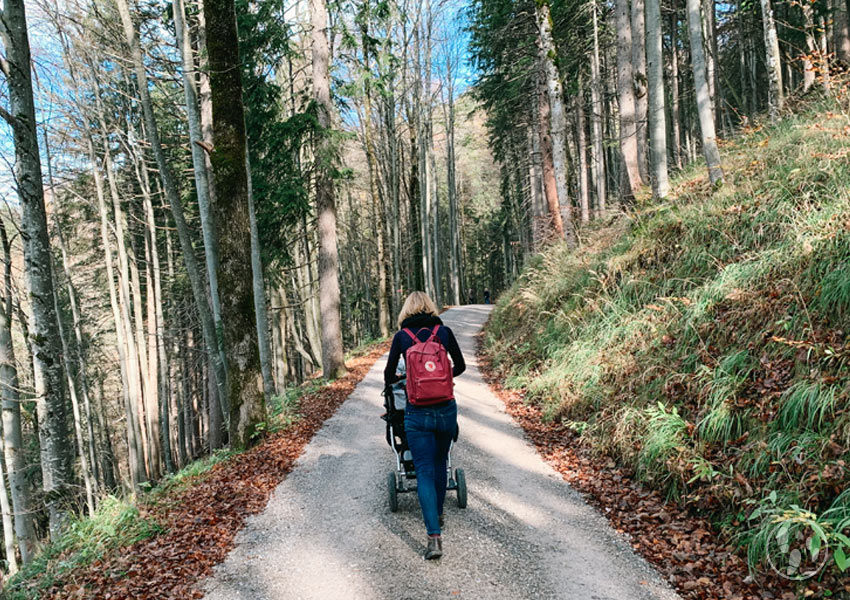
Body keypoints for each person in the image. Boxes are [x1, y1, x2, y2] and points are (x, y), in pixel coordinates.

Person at [384, 291, 465, 559]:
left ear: (406, 310)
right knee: (441, 462)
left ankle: (434, 538)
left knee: (424, 470)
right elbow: (461, 366)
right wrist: (442, 379)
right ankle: (438, 512)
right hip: (445, 409)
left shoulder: (402, 338)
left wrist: (409, 379)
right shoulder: (444, 333)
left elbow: (387, 376)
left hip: (417, 412)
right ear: (430, 308)